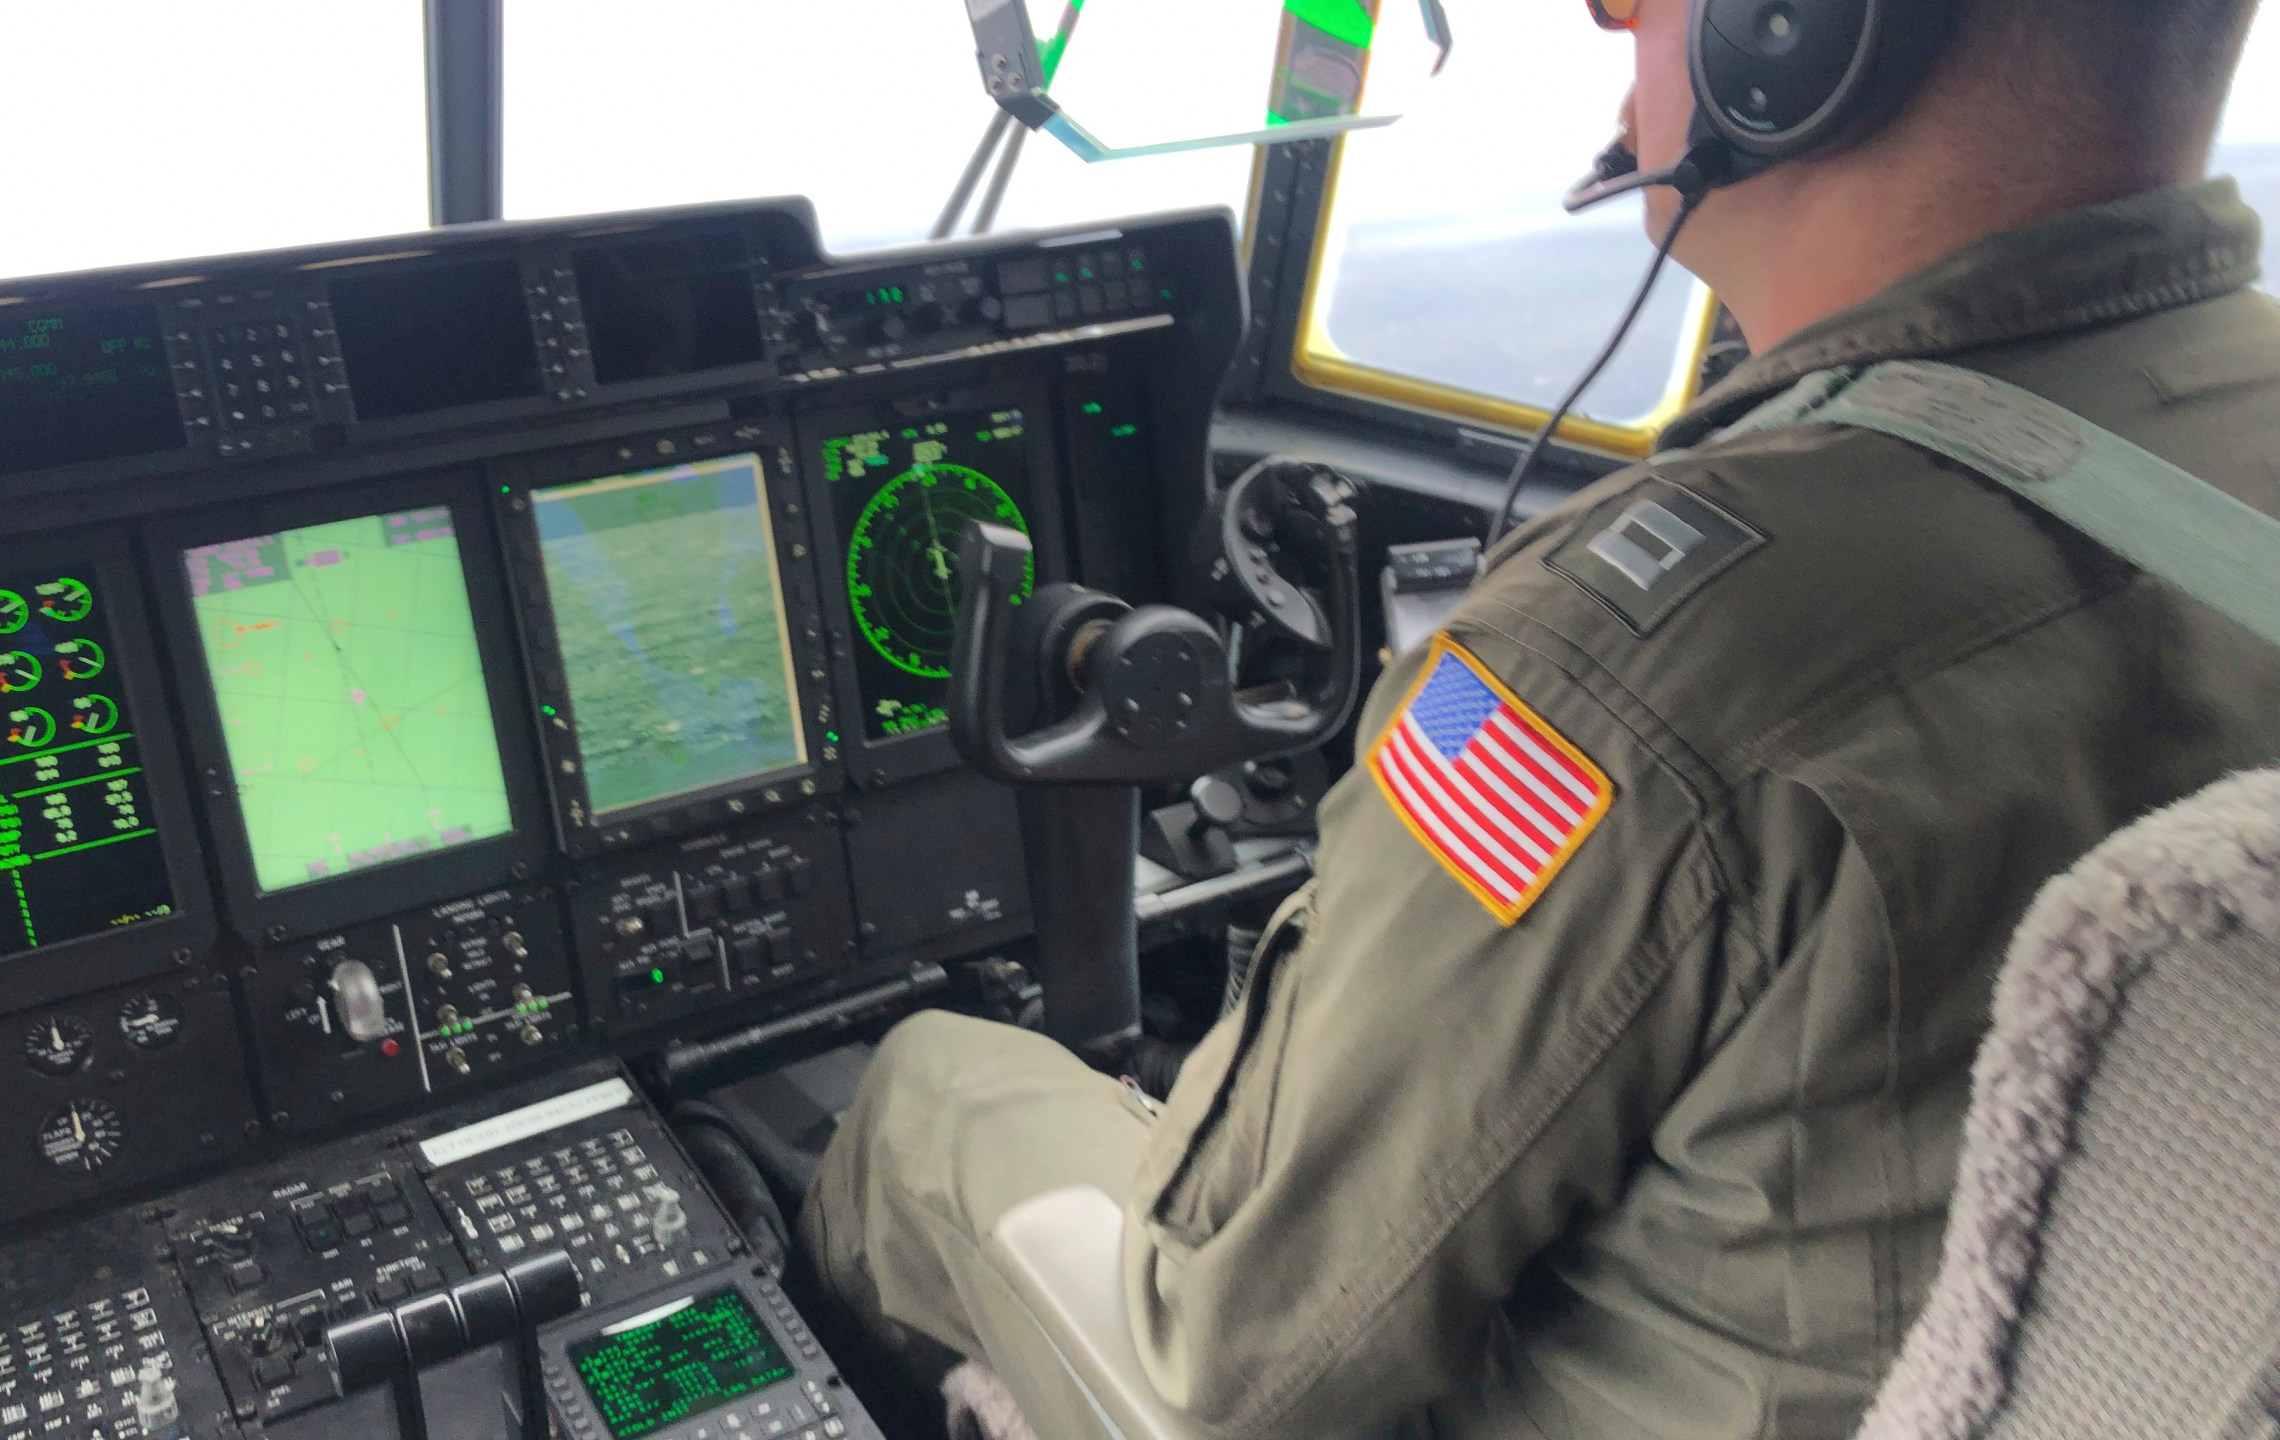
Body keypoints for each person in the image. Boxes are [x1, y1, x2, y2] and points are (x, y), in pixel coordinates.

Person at [799, 0, 2280, 1434]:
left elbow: (1220, 1358)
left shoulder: (1629, 670)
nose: (1602, 11)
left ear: (1802, 26)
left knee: (930, 1084)